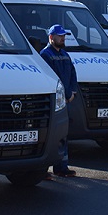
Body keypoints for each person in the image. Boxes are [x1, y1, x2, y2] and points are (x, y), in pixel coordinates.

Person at [39, 24, 79, 177]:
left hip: (66, 100)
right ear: (51, 37)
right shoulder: (45, 55)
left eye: (64, 36)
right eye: (60, 36)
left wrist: (72, 92)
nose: (63, 38)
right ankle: (42, 170)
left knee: (63, 135)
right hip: (54, 103)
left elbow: (72, 74)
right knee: (50, 135)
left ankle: (62, 167)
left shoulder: (64, 54)